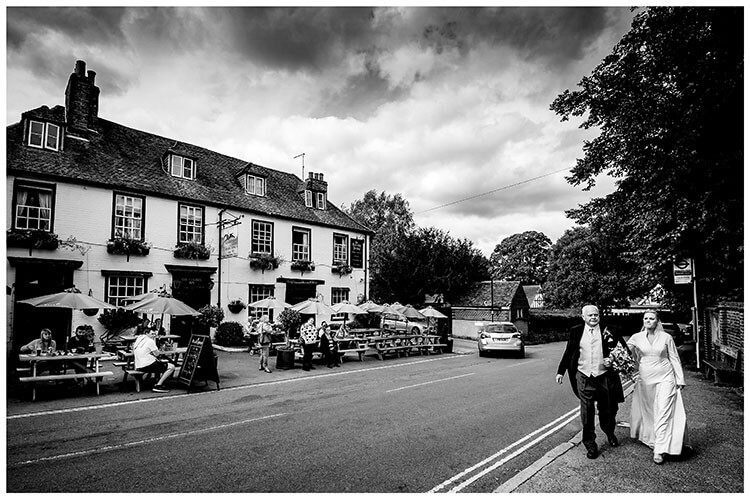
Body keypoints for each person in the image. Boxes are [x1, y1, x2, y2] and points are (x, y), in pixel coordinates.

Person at [556, 304, 629, 459]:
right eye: (590, 315)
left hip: (604, 376)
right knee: (587, 412)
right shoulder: (576, 331)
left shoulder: (610, 330)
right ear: (583, 317)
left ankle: (609, 432)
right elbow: (569, 352)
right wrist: (560, 371)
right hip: (583, 376)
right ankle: (590, 444)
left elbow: (624, 351)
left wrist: (612, 359)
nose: (593, 317)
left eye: (596, 315)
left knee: (607, 410)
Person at [627, 310, 687, 464]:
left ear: (657, 321)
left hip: (666, 377)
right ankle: (653, 439)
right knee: (650, 412)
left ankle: (659, 450)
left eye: (651, 318)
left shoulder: (666, 337)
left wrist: (679, 378)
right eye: (646, 318)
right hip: (646, 379)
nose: (648, 320)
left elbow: (674, 357)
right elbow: (623, 353)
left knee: (663, 410)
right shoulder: (636, 337)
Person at [133, 328, 176, 393]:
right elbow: (157, 354)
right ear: (147, 333)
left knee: (160, 364)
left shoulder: (139, 339)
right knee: (171, 367)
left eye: (155, 334)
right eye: (152, 334)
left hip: (138, 365)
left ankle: (157, 381)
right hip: (147, 364)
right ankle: (158, 385)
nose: (154, 335)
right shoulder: (150, 341)